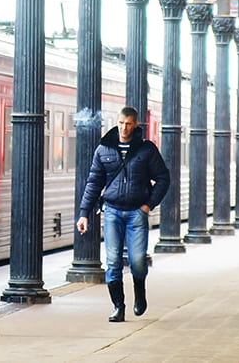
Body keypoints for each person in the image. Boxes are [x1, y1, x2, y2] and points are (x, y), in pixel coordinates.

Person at [77, 106, 171, 322]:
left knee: (137, 261)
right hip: (112, 212)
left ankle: (139, 291)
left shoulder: (146, 149)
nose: (123, 127)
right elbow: (94, 182)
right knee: (113, 262)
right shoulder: (104, 149)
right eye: (120, 123)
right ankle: (118, 307)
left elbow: (163, 179)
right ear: (116, 122)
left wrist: (148, 206)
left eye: (128, 124)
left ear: (135, 124)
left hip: (137, 213)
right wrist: (84, 213)